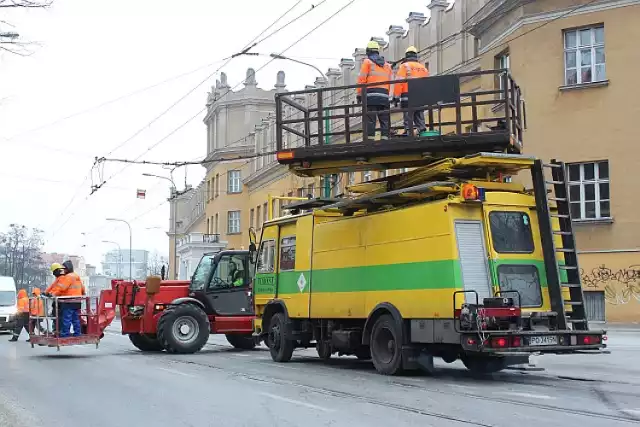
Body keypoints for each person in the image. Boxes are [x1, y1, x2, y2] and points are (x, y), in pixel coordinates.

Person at [356, 40, 393, 140]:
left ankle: (370, 140)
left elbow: (362, 79)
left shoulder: (367, 62)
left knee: (370, 119)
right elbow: (389, 82)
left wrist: (359, 94)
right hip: (384, 96)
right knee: (384, 119)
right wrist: (387, 95)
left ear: (368, 51)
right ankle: (385, 139)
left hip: (371, 96)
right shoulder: (387, 65)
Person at [393, 46, 430, 137]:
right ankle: (422, 132)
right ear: (415, 55)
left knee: (408, 119)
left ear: (406, 56)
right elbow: (427, 84)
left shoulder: (404, 66)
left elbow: (399, 82)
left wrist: (396, 97)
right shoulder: (423, 68)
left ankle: (409, 134)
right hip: (420, 98)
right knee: (420, 118)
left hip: (408, 97)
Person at [49, 261, 83, 337]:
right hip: (77, 301)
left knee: (66, 319)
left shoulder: (68, 277)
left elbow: (62, 288)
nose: (63, 271)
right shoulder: (77, 276)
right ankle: (77, 333)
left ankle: (65, 334)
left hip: (68, 301)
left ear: (67, 269)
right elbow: (82, 289)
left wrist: (52, 294)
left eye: (64, 269)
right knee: (75, 319)